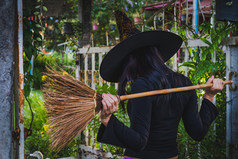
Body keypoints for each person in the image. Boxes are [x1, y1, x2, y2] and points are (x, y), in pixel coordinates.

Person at [97, 11, 224, 159]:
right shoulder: (183, 82)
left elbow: (139, 142)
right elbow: (198, 132)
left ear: (131, 62)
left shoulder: (142, 85)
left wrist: (107, 119)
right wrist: (209, 95)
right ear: (155, 55)